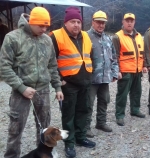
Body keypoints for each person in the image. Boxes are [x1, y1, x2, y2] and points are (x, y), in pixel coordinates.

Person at [0, 7, 63, 158]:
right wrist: (21, 87)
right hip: (20, 92)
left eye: (46, 26)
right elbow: (4, 66)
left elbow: (53, 65)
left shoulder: (47, 40)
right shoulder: (13, 38)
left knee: (45, 128)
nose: (44, 29)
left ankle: (43, 155)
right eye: (41, 25)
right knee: (15, 130)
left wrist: (57, 87)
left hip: (43, 91)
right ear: (31, 22)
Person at [49, 6, 95, 158]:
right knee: (68, 115)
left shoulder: (86, 36)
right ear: (66, 23)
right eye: (73, 21)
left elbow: (90, 56)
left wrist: (90, 74)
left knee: (83, 110)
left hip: (85, 82)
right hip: (68, 84)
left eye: (78, 22)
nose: (76, 25)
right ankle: (69, 143)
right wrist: (59, 81)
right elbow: (50, 62)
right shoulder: (55, 36)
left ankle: (80, 138)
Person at [85, 10, 119, 136]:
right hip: (91, 79)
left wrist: (114, 73)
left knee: (104, 100)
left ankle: (101, 122)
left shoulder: (107, 38)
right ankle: (85, 126)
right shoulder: (86, 37)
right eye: (98, 22)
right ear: (93, 22)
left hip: (105, 78)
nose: (101, 25)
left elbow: (114, 57)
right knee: (88, 103)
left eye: (103, 23)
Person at [112, 13, 146, 126]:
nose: (129, 22)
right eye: (127, 20)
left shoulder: (139, 36)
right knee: (122, 94)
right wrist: (117, 71)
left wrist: (144, 65)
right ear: (123, 21)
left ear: (134, 22)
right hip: (125, 71)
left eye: (131, 20)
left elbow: (142, 53)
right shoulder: (117, 36)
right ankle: (120, 115)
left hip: (137, 70)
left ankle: (135, 110)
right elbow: (115, 55)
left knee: (137, 92)